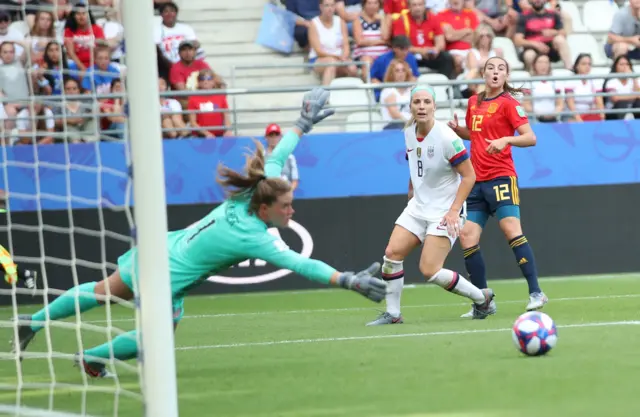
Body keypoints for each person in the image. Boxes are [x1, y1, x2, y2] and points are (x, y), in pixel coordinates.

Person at [12, 88, 387, 377]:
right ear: (265, 209)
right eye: (286, 206)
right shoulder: (254, 236)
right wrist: (348, 280)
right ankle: (91, 357)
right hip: (167, 277)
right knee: (153, 338)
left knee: (101, 292)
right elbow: (301, 264)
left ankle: (36, 322)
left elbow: (276, 155)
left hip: (158, 251)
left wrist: (302, 124)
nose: (292, 210)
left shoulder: (251, 191)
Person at [366, 85, 495, 326]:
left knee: (430, 270)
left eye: (427, 102)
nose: (422, 106)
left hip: (444, 211)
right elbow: (416, 165)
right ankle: (393, 314)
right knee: (392, 255)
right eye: (417, 102)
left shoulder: (448, 138)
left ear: (435, 106)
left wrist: (454, 211)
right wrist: (411, 194)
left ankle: (482, 298)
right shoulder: (408, 132)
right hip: (418, 207)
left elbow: (469, 176)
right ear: (411, 107)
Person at [447, 56, 548, 317]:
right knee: (467, 236)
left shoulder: (509, 104)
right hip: (475, 181)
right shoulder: (473, 102)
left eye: (500, 68)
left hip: (502, 177)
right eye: (490, 67)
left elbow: (530, 137)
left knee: (511, 230)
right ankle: (484, 302)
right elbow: (475, 134)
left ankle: (536, 292)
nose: (495, 72)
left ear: (506, 76)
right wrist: (459, 130)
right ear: (483, 73)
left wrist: (506, 140)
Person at [264, 123, 300, 190]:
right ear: (266, 137)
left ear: (280, 137)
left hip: (284, 193)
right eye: (271, 135)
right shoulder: (261, 157)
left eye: (276, 135)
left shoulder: (290, 157)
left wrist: (287, 194)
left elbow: (295, 180)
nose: (274, 138)